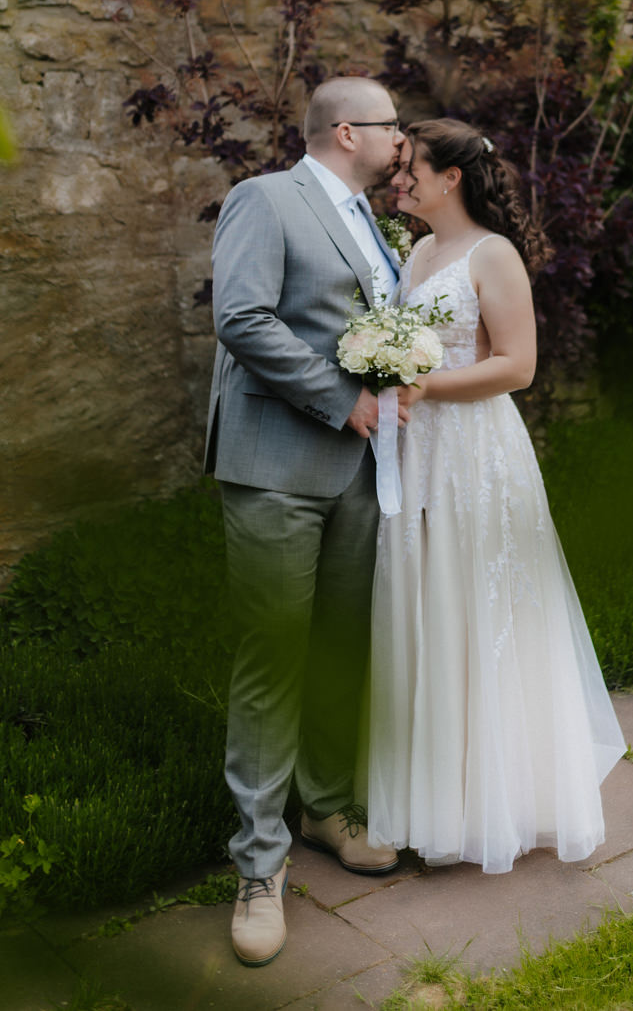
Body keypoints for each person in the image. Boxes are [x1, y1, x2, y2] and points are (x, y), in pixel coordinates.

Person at [366, 119, 625, 873]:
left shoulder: (493, 254)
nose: (399, 178)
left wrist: (422, 382)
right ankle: (430, 795)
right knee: (428, 600)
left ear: (451, 179)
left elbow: (518, 367)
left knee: (481, 607)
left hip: (475, 450)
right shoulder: (417, 250)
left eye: (410, 168)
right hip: (417, 451)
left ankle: (500, 797)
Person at [205, 76, 408, 968]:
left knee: (337, 645)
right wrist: (341, 397)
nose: (403, 140)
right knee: (273, 654)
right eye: (393, 126)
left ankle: (325, 809)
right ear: (349, 130)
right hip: (276, 467)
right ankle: (257, 867)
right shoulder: (265, 198)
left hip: (360, 474)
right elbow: (240, 316)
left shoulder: (371, 221)